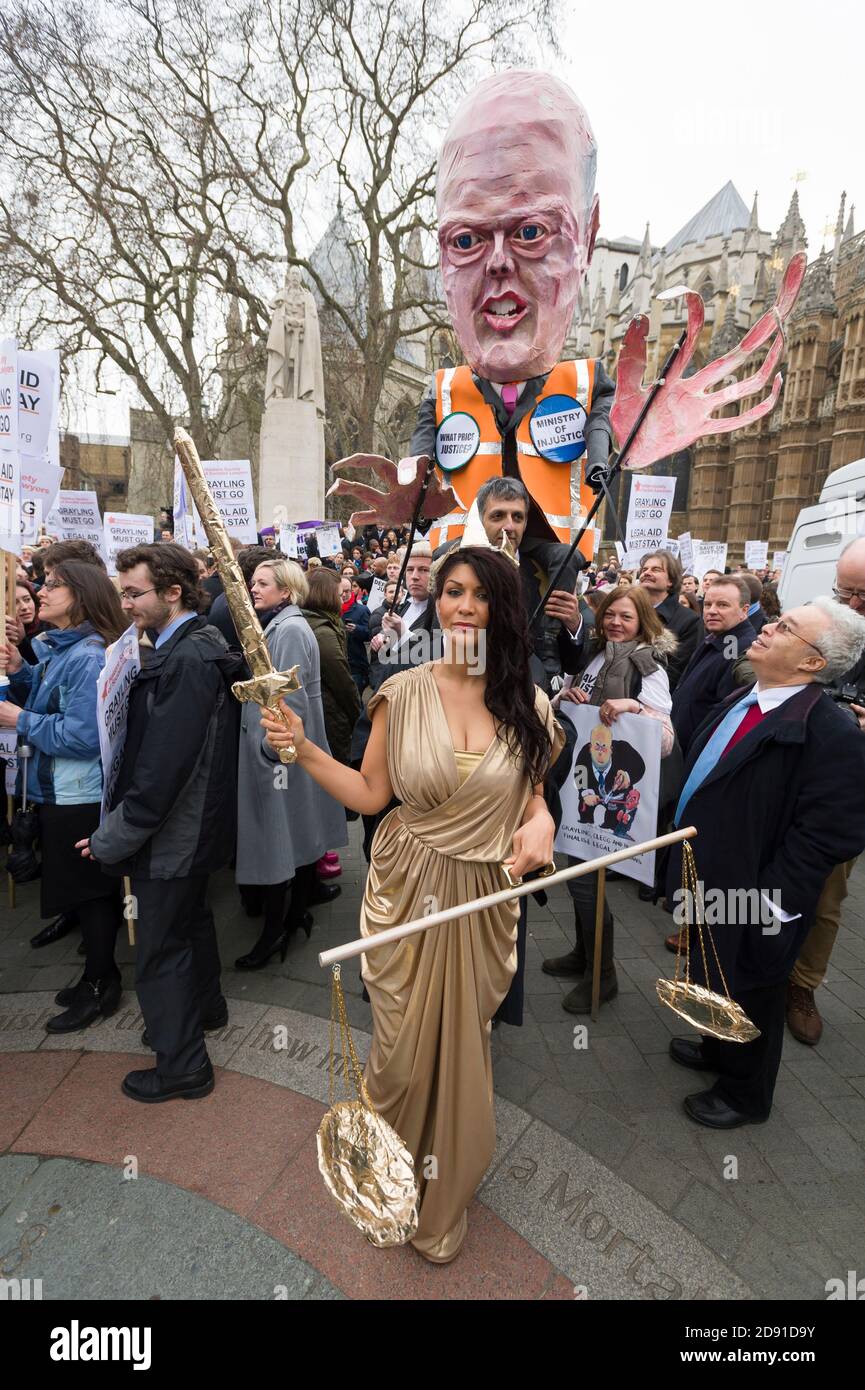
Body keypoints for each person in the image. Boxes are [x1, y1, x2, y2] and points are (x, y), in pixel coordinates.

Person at [261, 545, 563, 1262]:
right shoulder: (402, 690)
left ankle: (444, 1198)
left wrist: (542, 826)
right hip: (406, 889)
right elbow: (370, 795)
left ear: (500, 610)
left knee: (462, 1049)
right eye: (451, 591)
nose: (462, 605)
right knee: (398, 1055)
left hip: (481, 900)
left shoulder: (530, 705)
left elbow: (534, 802)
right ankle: (390, 1174)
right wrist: (303, 748)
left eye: (479, 595)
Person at [665, 597, 865, 1128]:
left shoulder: (833, 734)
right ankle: (715, 1046)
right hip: (708, 873)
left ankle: (744, 1093)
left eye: (785, 627)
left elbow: (829, 837)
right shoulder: (745, 695)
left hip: (756, 894)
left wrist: (769, 903)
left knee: (753, 985)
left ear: (813, 663)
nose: (767, 627)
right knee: (712, 970)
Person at [84, 543, 241, 1103]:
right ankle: (204, 1010)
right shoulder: (189, 647)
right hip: (189, 827)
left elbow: (161, 775)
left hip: (177, 829)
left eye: (133, 593)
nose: (124, 604)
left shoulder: (188, 658)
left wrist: (110, 839)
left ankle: (182, 1066)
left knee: (159, 947)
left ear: (173, 593)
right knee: (189, 922)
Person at [0, 562, 125, 1031]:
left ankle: (101, 984)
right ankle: (96, 973)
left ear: (81, 597)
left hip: (77, 794)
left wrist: (19, 720)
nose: (41, 591)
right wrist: (22, 672)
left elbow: (83, 735)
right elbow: (54, 699)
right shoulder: (65, 649)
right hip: (60, 789)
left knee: (91, 893)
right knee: (80, 890)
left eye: (54, 586)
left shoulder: (87, 655)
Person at [543, 585, 678, 1012]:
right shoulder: (592, 654)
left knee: (587, 882)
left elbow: (666, 741)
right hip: (579, 782)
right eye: (610, 616)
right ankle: (585, 956)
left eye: (626, 617)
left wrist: (633, 710)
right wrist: (566, 697)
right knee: (576, 875)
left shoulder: (649, 666)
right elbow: (556, 705)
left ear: (643, 622)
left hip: (612, 793)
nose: (616, 623)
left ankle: (604, 976)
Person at [234, 558, 347, 968]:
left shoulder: (292, 629)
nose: (253, 589)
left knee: (282, 839)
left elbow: (290, 703)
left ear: (287, 591)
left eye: (263, 583)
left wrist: (272, 752)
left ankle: (276, 930)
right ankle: (293, 916)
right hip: (280, 752)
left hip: (283, 756)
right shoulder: (281, 624)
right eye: (252, 582)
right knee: (295, 836)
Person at [786, 538, 865, 1044]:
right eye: (845, 592)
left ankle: (803, 984)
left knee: (826, 896)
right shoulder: (819, 622)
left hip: (844, 799)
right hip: (788, 779)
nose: (854, 606)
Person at [433, 477, 585, 694]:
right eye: (498, 516)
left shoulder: (549, 575)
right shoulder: (451, 570)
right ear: (480, 519)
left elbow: (573, 664)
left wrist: (573, 625)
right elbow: (433, 639)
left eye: (518, 517)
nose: (509, 526)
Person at [301, 567, 362, 893]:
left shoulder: (323, 624)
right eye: (340, 594)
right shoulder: (322, 632)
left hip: (327, 714)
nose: (345, 599)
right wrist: (359, 715)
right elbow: (341, 680)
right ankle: (318, 852)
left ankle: (321, 850)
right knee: (325, 788)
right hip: (329, 716)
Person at [671, 576, 756, 753]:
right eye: (708, 604)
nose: (712, 611)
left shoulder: (738, 648)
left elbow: (722, 713)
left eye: (723, 605)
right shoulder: (717, 636)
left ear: (744, 610)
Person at [368, 543, 435, 691]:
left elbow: (434, 659)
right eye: (410, 569)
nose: (415, 576)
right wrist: (381, 640)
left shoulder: (440, 612)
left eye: (424, 570)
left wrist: (403, 633)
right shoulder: (404, 606)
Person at [637, 549, 700, 688]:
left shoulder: (690, 621)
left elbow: (676, 672)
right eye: (644, 569)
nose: (647, 573)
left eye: (656, 569)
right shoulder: (630, 611)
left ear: (670, 581)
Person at [339, 574, 371, 696]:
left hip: (355, 665)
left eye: (347, 591)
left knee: (355, 701)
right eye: (341, 591)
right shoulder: (331, 610)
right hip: (337, 664)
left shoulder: (361, 610)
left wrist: (357, 629)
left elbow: (370, 634)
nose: (344, 595)